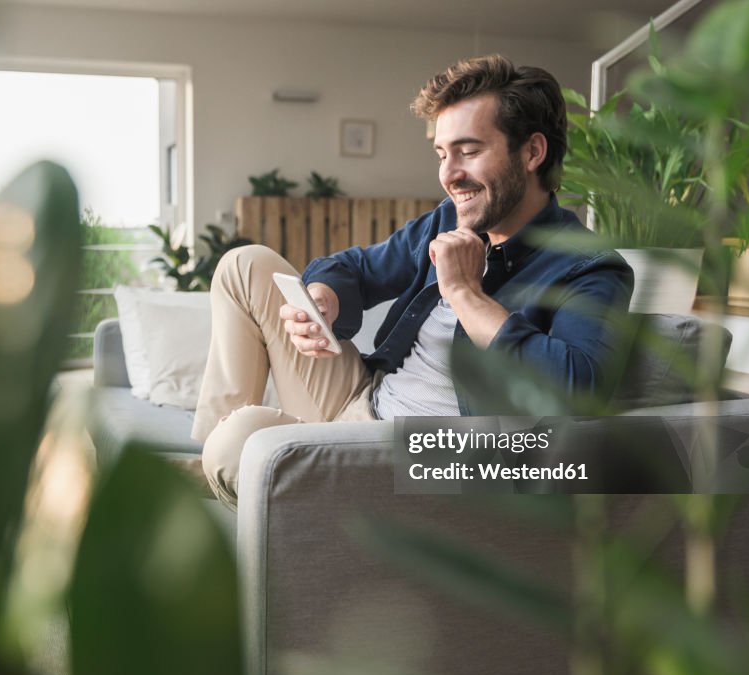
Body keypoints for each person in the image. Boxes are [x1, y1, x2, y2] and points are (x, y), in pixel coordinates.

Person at [190, 54, 634, 509]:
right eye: (443, 154)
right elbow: (357, 268)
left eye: (469, 151)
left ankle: (221, 464)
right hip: (365, 396)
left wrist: (465, 293)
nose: (448, 174)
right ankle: (208, 465)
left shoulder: (590, 268)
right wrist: (324, 299)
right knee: (245, 264)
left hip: (413, 454)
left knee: (238, 444)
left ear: (532, 153)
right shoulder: (449, 220)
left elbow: (576, 392)